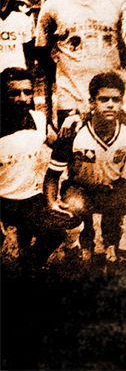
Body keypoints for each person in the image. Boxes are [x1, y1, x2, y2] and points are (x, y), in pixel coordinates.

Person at [43, 72, 126, 265]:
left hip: (112, 187)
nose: (110, 105)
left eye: (115, 100)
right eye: (103, 99)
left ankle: (125, 245)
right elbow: (52, 175)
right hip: (80, 189)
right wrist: (51, 202)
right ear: (92, 102)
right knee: (73, 206)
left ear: (122, 102)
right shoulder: (74, 130)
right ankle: (75, 246)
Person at [35, 0, 126, 128]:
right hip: (71, 101)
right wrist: (49, 116)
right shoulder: (53, 5)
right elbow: (44, 61)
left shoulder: (118, 2)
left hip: (109, 100)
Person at [0, 68, 66, 273]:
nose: (23, 98)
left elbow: (57, 146)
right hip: (2, 199)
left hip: (30, 197)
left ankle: (29, 264)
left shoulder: (39, 119)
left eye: (27, 92)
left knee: (56, 231)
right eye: (14, 93)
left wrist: (67, 132)